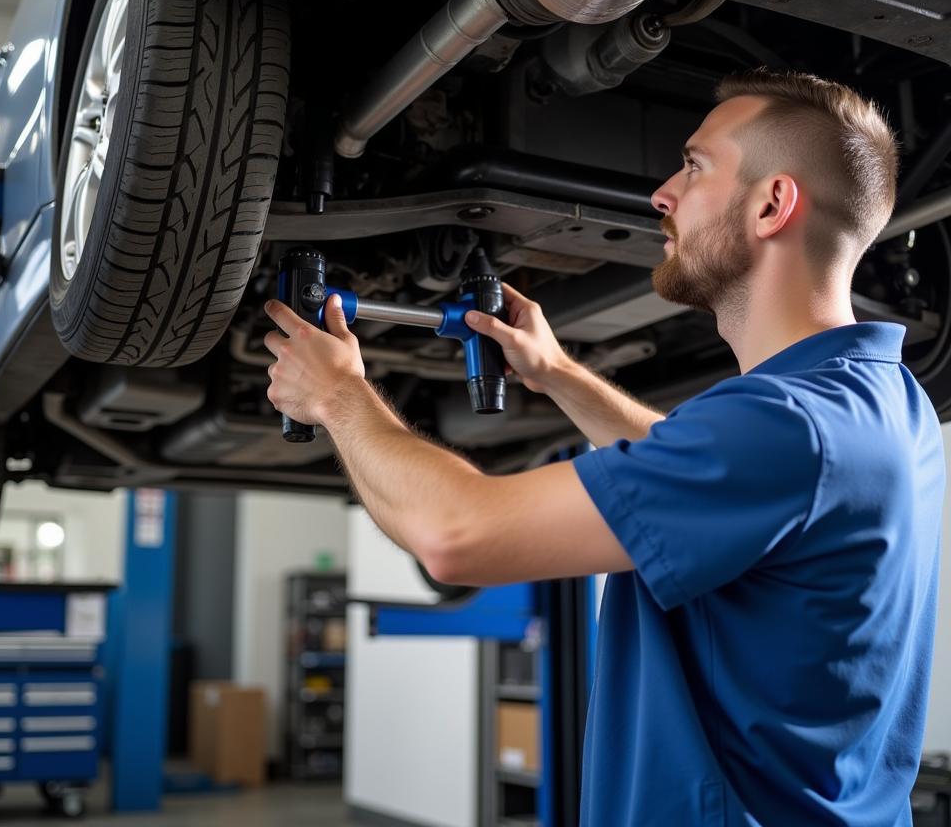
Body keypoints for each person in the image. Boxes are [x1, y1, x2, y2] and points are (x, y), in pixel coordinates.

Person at [263, 68, 945, 826]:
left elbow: (458, 536)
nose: (662, 193)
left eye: (694, 165)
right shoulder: (882, 400)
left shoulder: (790, 427)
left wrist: (338, 398)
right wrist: (557, 375)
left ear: (772, 205)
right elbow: (710, 484)